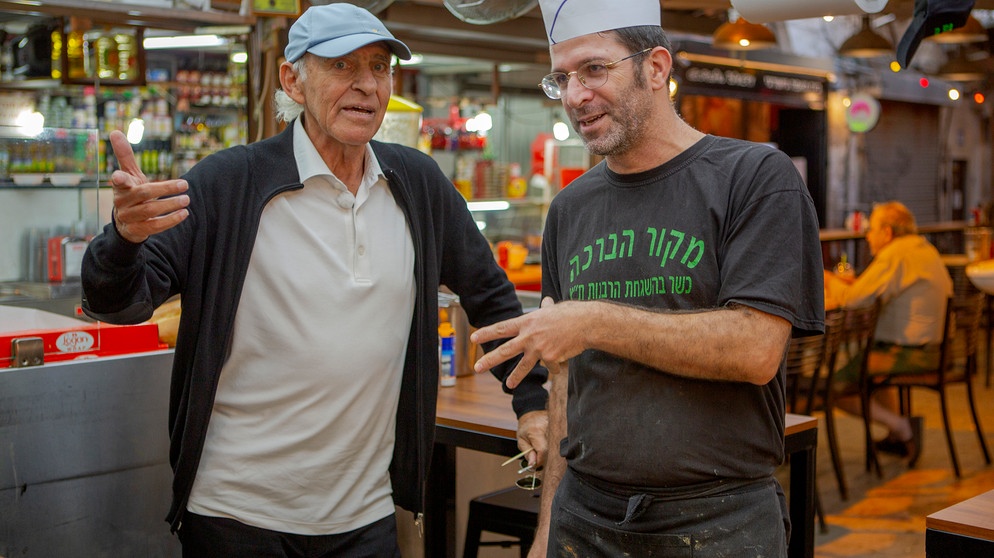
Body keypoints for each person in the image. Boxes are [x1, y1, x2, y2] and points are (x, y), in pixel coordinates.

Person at [80, 4, 548, 556]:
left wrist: (533, 402)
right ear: (292, 80)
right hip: (237, 514)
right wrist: (123, 239)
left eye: (379, 67)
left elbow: (493, 300)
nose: (366, 85)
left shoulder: (417, 184)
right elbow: (120, 303)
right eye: (342, 67)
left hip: (366, 514)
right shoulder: (229, 183)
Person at [470, 0, 825, 556]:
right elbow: (566, 383)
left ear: (656, 67)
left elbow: (757, 348)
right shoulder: (569, 208)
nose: (574, 96)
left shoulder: (755, 177)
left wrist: (592, 320)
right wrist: (546, 530)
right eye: (561, 78)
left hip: (721, 522)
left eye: (593, 69)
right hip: (584, 519)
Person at [824, 201, 953, 465]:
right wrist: (852, 283)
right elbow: (871, 288)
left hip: (910, 353)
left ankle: (902, 427)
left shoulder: (895, 254)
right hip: (935, 348)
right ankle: (897, 433)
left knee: (831, 389)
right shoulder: (922, 248)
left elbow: (851, 299)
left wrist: (827, 278)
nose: (867, 235)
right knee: (872, 362)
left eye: (872, 229)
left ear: (888, 232)